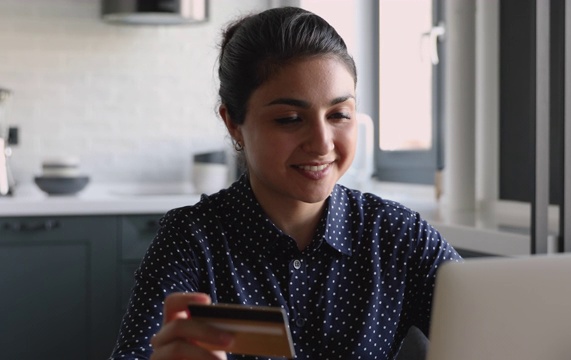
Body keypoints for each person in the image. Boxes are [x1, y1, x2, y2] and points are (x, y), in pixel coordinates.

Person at [109, 6, 462, 360]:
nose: (323, 143)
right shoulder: (191, 239)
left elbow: (490, 329)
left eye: (339, 114)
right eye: (290, 119)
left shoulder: (399, 235)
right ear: (233, 124)